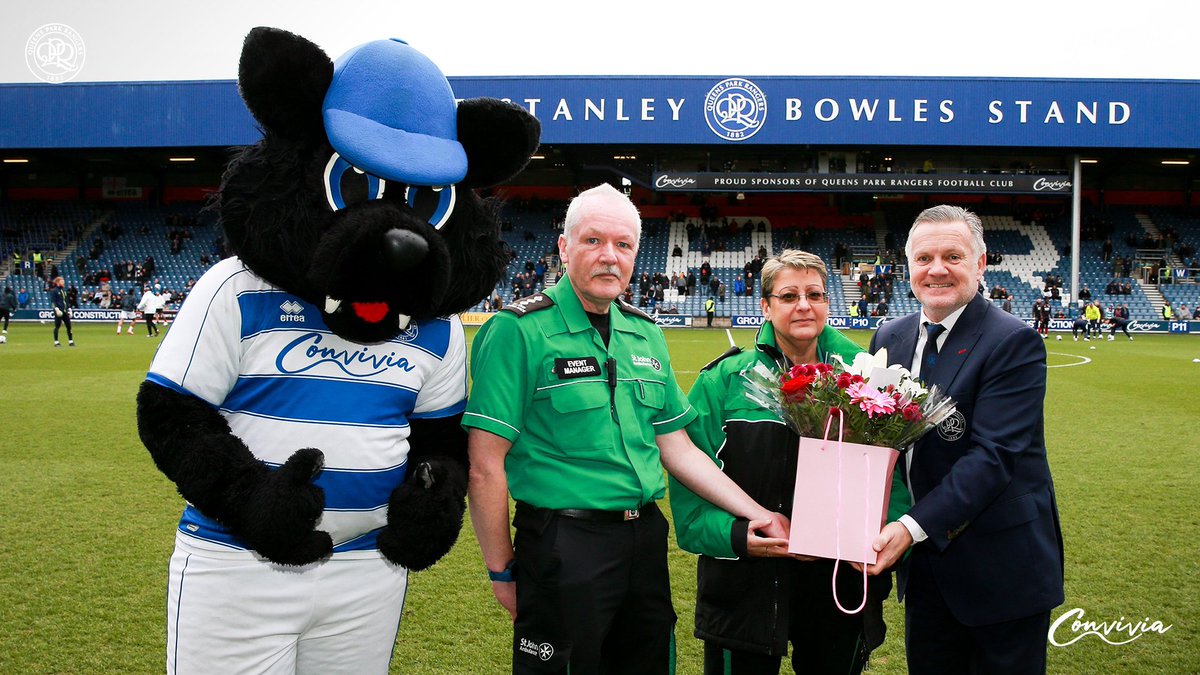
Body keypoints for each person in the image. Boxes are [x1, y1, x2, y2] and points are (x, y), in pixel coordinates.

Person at [464, 184, 789, 675]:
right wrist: (500, 569)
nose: (609, 257)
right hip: (563, 543)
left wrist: (757, 512)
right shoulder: (517, 330)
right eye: (593, 241)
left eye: (623, 245)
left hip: (644, 539)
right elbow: (485, 467)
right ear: (563, 247)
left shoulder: (645, 331)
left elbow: (676, 447)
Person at [671, 249, 911, 674]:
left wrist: (882, 535)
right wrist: (737, 536)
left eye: (815, 294)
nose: (804, 304)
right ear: (765, 305)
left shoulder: (868, 380)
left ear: (827, 302)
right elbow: (689, 492)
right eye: (788, 295)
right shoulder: (723, 381)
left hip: (841, 583)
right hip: (745, 583)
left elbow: (892, 481)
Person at [867, 205, 1063, 674]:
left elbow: (993, 457)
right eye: (924, 258)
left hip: (1001, 569)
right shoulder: (889, 337)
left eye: (952, 256)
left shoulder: (1011, 341)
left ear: (979, 263)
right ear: (907, 266)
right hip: (925, 571)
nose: (936, 270)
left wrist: (910, 527)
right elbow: (875, 443)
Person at [49, 276, 75, 347]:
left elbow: (66, 301)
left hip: (65, 311)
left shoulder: (64, 290)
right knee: (57, 326)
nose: (63, 283)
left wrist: (69, 309)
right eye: (62, 281)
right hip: (59, 311)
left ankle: (71, 341)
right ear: (58, 282)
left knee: (69, 326)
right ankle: (56, 342)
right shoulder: (54, 291)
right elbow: (53, 301)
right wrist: (56, 309)